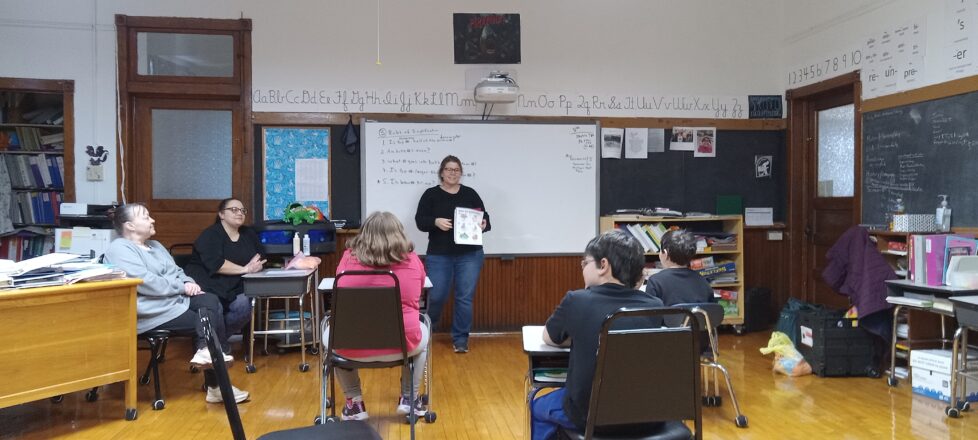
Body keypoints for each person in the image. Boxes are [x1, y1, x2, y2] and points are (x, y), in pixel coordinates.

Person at [103, 203, 250, 404]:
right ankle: (216, 385)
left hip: (175, 301)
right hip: (153, 311)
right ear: (129, 226)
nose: (152, 220)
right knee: (207, 320)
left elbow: (177, 272)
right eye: (146, 217)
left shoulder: (156, 246)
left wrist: (189, 282)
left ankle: (206, 355)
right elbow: (146, 282)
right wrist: (181, 287)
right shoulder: (119, 249)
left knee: (210, 299)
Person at [532, 230, 665, 440]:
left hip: (591, 417)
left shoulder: (577, 300)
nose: (583, 269)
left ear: (603, 266)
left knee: (537, 404)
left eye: (585, 263)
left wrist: (581, 333)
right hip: (650, 416)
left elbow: (549, 337)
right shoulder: (656, 307)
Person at [326, 211, 429, 421]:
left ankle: (354, 403)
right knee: (423, 332)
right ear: (399, 234)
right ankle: (409, 398)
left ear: (364, 235)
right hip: (402, 345)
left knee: (330, 331)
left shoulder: (348, 259)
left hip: (351, 345)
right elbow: (419, 291)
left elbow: (339, 290)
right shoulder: (412, 260)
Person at [414, 155, 490, 353]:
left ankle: (461, 339)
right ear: (441, 172)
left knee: (464, 297)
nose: (452, 173)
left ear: (461, 173)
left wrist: (483, 224)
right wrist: (435, 222)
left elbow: (486, 218)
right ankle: (428, 331)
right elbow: (420, 221)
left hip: (470, 254)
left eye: (456, 170)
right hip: (439, 255)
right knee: (436, 295)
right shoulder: (430, 194)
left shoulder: (470, 193)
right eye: (449, 169)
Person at [183, 198, 265, 347]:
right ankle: (219, 349)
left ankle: (215, 344)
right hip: (208, 283)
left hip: (235, 284)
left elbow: (260, 255)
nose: (239, 213)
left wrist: (257, 266)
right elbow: (217, 264)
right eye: (234, 210)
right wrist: (245, 269)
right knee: (216, 307)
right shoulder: (210, 235)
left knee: (245, 306)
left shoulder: (248, 233)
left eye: (242, 210)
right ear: (221, 214)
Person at [645, 229, 716, 306]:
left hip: (668, 318)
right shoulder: (703, 281)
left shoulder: (655, 281)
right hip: (696, 318)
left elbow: (650, 315)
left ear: (665, 253)